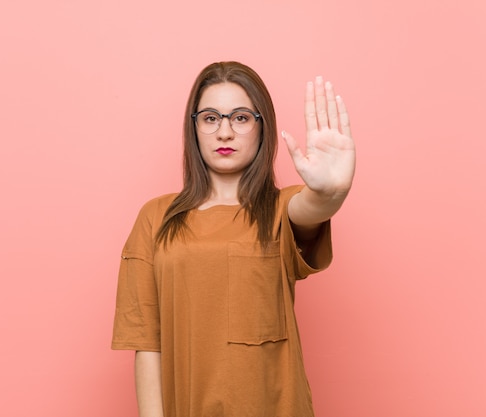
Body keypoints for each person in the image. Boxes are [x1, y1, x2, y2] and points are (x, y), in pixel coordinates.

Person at [112, 61, 356, 417]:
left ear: (262, 126)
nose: (224, 132)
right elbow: (146, 343)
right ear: (193, 126)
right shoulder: (156, 219)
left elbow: (313, 206)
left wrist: (333, 191)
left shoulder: (279, 209)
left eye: (240, 118)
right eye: (211, 118)